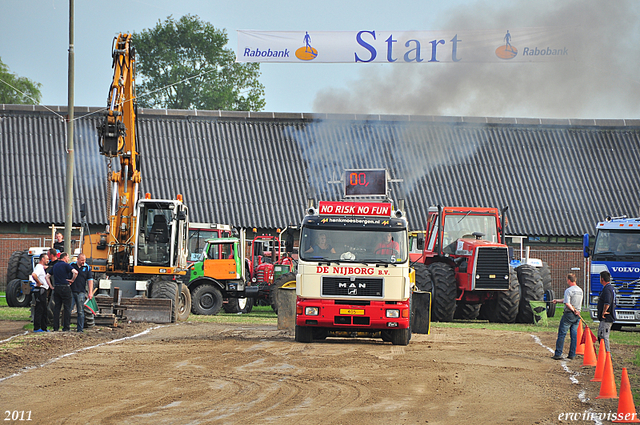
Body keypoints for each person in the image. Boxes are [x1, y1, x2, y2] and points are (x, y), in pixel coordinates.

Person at [551, 273, 584, 360]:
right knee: (574, 335)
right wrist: (557, 301)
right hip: (577, 315)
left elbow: (567, 303)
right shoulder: (580, 290)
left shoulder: (568, 290)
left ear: (569, 280)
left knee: (562, 334)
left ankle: (558, 353)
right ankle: (572, 354)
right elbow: (566, 301)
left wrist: (573, 310)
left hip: (569, 314)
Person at [46, 252, 78, 332]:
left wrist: (51, 286)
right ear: (65, 257)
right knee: (67, 308)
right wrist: (72, 280)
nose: (68, 259)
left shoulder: (55, 266)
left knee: (57, 308)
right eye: (68, 257)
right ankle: (66, 327)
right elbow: (75, 272)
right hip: (65, 287)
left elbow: (47, 276)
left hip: (57, 288)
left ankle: (56, 327)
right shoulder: (66, 265)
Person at [70, 254, 94, 333]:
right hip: (71, 291)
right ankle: (66, 327)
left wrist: (90, 292)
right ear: (78, 259)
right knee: (68, 309)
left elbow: (90, 280)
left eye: (84, 260)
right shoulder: (71, 265)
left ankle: (80, 329)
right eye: (82, 260)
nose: (83, 262)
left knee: (80, 311)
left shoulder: (87, 267)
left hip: (81, 292)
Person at [597, 270, 617, 352]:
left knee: (604, 336)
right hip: (606, 317)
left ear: (602, 279)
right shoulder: (610, 288)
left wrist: (604, 311)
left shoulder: (607, 289)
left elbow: (607, 302)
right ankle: (604, 354)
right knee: (600, 335)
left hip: (606, 317)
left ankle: (607, 356)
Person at [29, 254, 50, 332]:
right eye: (47, 258)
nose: (48, 260)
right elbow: (34, 275)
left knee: (44, 309)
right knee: (39, 309)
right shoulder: (39, 267)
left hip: (43, 290)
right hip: (40, 290)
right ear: (42, 259)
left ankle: (44, 327)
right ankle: (37, 328)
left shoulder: (41, 267)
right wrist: (39, 282)